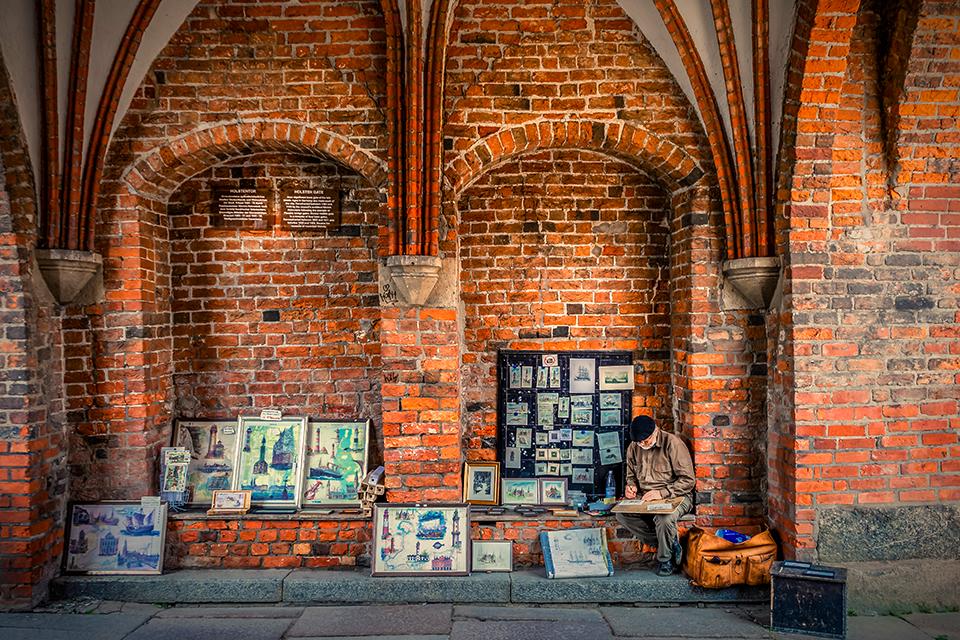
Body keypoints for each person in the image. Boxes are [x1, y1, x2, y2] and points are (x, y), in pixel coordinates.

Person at [615, 415, 695, 576]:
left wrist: (661, 493)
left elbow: (688, 481)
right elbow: (630, 475)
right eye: (639, 442)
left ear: (655, 432)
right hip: (646, 497)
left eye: (645, 441)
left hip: (676, 495)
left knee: (664, 518)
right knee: (621, 514)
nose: (642, 445)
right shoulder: (634, 446)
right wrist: (631, 486)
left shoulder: (673, 444)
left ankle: (665, 560)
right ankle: (670, 543)